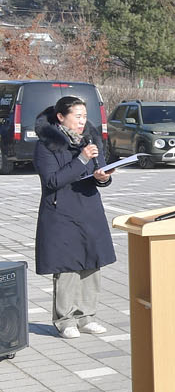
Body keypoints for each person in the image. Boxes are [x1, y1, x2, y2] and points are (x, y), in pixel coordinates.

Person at [34, 96, 115, 338]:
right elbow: (52, 181)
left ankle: (87, 317)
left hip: (89, 208)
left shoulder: (90, 140)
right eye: (77, 116)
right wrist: (81, 159)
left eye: (84, 116)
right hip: (61, 211)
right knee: (67, 266)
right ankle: (65, 320)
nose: (82, 121)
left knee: (92, 262)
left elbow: (100, 171)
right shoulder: (46, 145)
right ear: (61, 117)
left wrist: (104, 177)